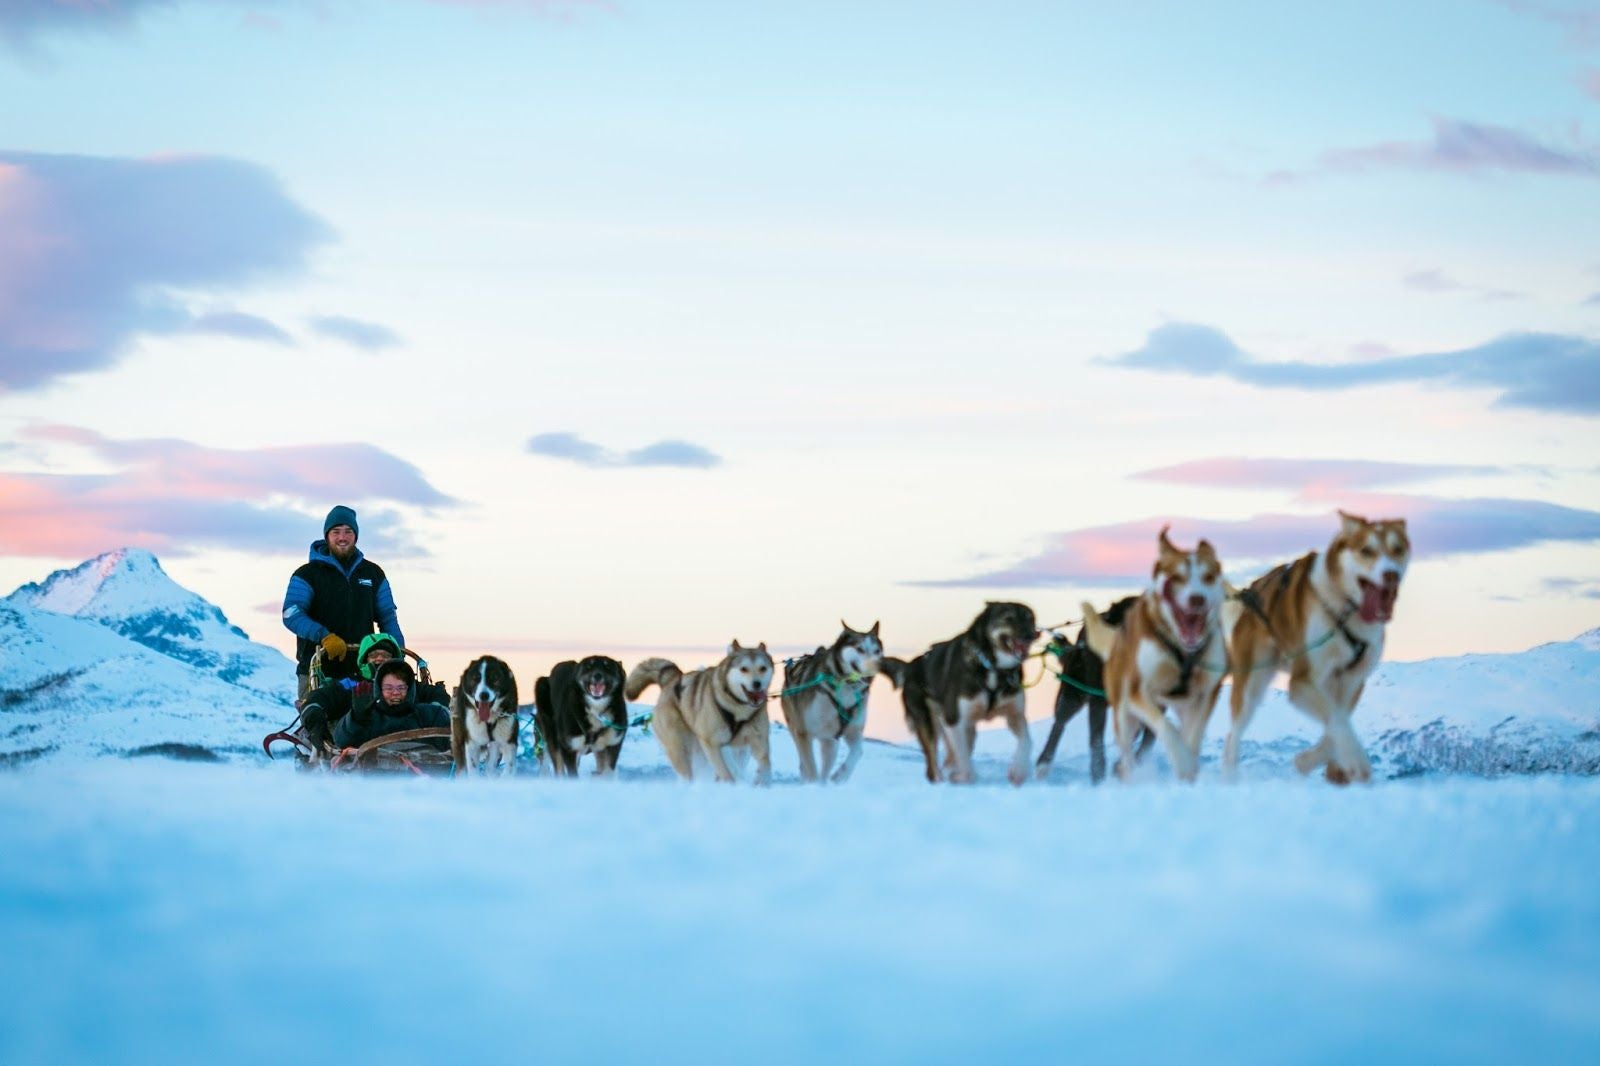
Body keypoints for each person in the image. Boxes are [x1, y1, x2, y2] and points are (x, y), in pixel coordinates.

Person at [282, 505, 404, 700]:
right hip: (318, 668)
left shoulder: (373, 573)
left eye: (348, 532)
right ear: (327, 535)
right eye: (336, 532)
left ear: (355, 536)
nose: (342, 537)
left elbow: (387, 617)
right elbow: (292, 614)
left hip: (365, 670)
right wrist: (324, 637)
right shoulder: (307, 574)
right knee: (320, 723)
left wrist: (398, 654)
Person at [333, 658, 450, 752]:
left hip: (424, 772)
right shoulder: (368, 718)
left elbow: (451, 740)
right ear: (379, 689)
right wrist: (356, 717)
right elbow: (341, 741)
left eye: (401, 688)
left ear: (409, 690)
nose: (395, 693)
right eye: (389, 688)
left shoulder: (429, 714)